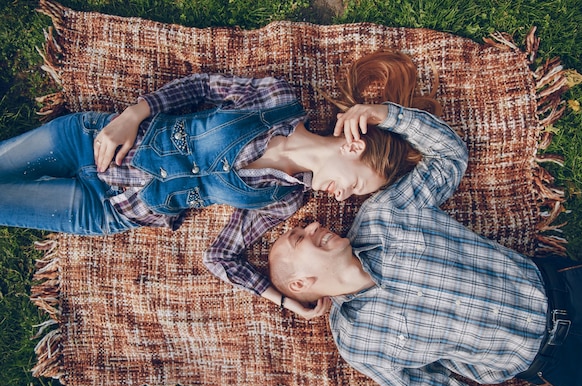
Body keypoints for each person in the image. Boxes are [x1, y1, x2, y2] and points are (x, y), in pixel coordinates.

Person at [0, 51, 434, 317]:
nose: (342, 198)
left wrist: (282, 299)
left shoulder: (285, 201)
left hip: (108, 208)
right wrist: (134, 114)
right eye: (354, 187)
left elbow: (220, 256)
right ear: (352, 147)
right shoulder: (278, 100)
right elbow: (203, 86)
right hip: (90, 141)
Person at [269, 100, 582, 386]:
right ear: (301, 283)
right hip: (561, 364)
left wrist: (388, 115)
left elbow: (449, 156)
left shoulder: (385, 215)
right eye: (300, 237)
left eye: (304, 227)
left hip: (575, 292)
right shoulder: (356, 341)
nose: (314, 224)